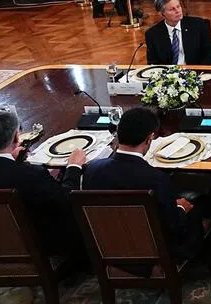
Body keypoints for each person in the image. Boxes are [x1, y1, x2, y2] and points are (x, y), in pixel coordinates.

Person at [0, 110, 86, 255]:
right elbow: (67, 201)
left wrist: (13, 161)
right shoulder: (31, 174)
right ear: (16, 138)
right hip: (38, 248)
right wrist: (74, 166)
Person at [82, 107, 204, 258]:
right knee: (198, 204)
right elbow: (173, 227)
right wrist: (180, 208)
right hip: (154, 251)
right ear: (149, 138)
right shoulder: (156, 179)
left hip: (108, 246)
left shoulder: (92, 169)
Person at [144, 0, 211, 66]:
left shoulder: (198, 25)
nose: (177, 11)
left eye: (178, 6)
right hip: (167, 72)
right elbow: (153, 62)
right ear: (162, 14)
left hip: (194, 70)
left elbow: (209, 53)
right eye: (172, 9)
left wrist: (199, 71)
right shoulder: (152, 34)